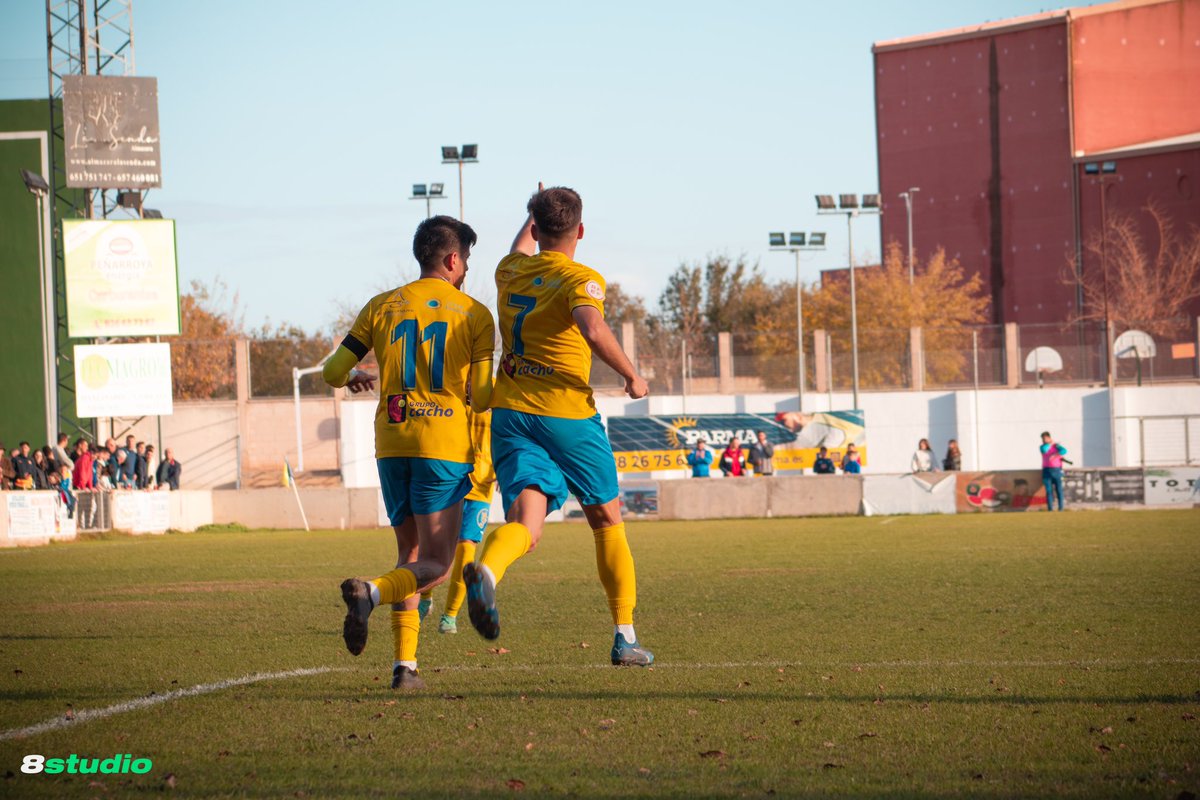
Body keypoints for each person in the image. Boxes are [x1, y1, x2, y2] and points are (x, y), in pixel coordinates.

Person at [462, 184, 654, 668]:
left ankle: (487, 568)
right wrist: (631, 375)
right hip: (566, 414)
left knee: (526, 523)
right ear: (581, 231)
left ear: (536, 226)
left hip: (511, 413)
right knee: (607, 521)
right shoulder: (580, 278)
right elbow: (591, 328)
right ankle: (624, 636)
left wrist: (533, 211)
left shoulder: (511, 270)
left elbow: (520, 246)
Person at [328, 215, 495, 691]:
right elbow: (482, 397)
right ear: (452, 259)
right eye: (465, 260)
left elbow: (333, 371)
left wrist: (355, 375)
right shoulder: (475, 314)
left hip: (393, 441)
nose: (466, 270)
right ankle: (372, 593)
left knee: (410, 554)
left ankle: (406, 668)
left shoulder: (381, 306)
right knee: (438, 565)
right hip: (442, 446)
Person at [420, 407, 496, 636]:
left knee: (465, 552)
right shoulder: (453, 386)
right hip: (448, 480)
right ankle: (425, 596)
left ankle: (449, 616)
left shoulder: (499, 389)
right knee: (434, 545)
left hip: (480, 487)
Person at [1040, 431, 1068, 512]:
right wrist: (1050, 444)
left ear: (1049, 438)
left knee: (1059, 490)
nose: (1044, 440)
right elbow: (1044, 450)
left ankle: (1061, 508)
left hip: (1056, 470)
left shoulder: (1056, 446)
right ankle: (1050, 508)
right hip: (1047, 470)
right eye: (1043, 439)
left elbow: (1064, 451)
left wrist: (1055, 453)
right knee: (1049, 491)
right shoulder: (1042, 447)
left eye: (1046, 438)